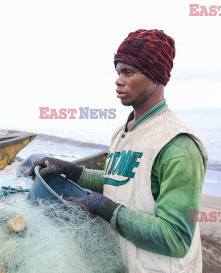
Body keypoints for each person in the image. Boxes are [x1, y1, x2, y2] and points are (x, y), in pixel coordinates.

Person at [28, 29, 208, 273]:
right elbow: (120, 183)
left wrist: (102, 206)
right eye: (118, 72)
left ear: (155, 77)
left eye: (128, 72)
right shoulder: (124, 132)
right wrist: (71, 171)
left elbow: (175, 238)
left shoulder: (178, 145)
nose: (118, 80)